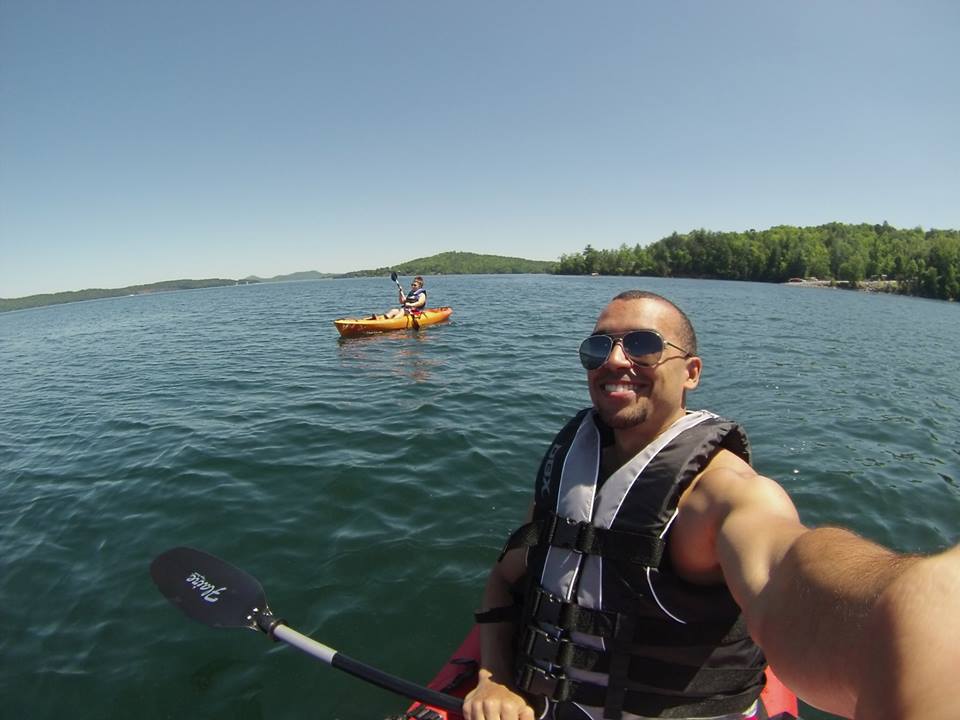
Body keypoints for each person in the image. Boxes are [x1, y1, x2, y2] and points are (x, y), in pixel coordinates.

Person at [463, 290, 960, 720]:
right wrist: (494, 679)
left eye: (642, 345)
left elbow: (784, 566)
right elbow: (505, 579)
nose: (614, 361)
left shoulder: (723, 493)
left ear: (692, 373)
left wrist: (905, 609)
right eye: (599, 346)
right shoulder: (570, 464)